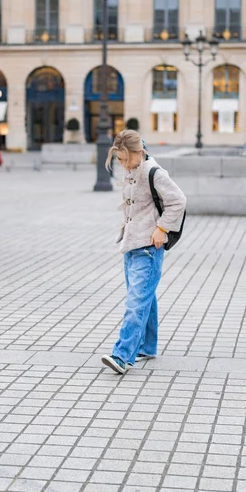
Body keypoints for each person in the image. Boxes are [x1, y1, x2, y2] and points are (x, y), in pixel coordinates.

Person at [101, 130, 186, 375]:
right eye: (118, 159)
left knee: (135, 303)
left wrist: (161, 228)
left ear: (139, 152)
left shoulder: (153, 172)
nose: (122, 164)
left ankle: (122, 355)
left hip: (148, 249)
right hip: (131, 245)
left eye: (125, 159)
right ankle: (147, 347)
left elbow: (178, 200)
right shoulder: (133, 169)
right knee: (143, 297)